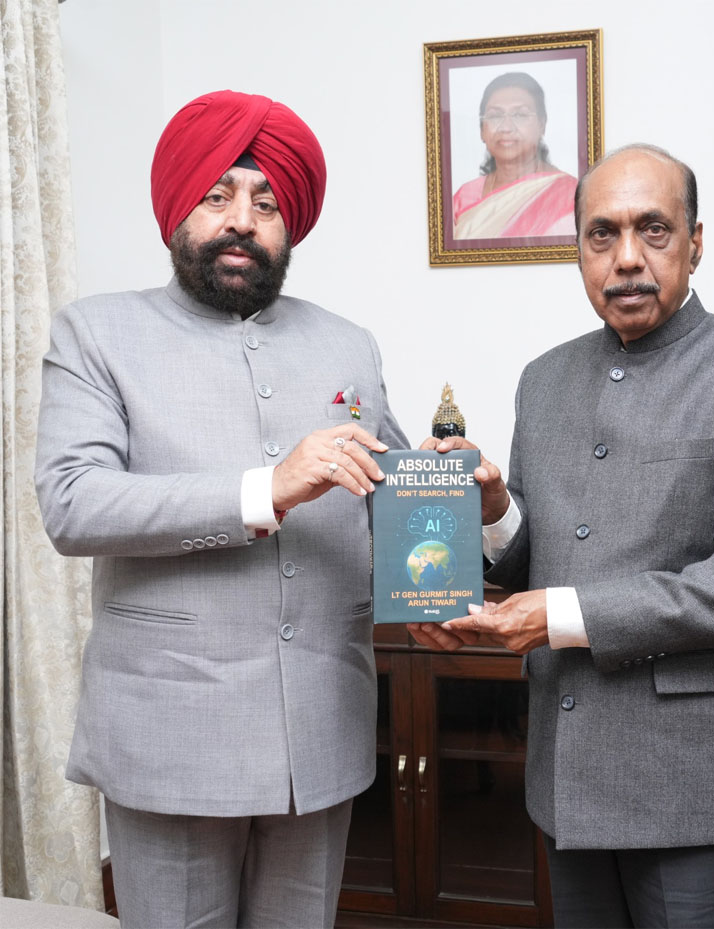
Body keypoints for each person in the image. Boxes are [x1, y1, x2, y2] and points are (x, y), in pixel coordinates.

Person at [413, 144, 714, 928]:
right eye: (602, 234)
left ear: (695, 242)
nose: (627, 257)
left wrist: (562, 615)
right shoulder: (545, 378)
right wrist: (495, 507)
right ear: (578, 249)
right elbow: (538, 558)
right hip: (567, 775)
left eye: (653, 229)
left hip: (696, 783)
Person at [34, 90, 408, 929]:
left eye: (267, 203)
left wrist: (471, 501)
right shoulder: (97, 333)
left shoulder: (348, 343)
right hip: (171, 734)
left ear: (290, 224)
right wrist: (265, 488)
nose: (242, 219)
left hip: (320, 731)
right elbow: (72, 501)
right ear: (178, 208)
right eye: (218, 195)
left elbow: (393, 490)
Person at [452, 71, 577, 239]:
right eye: (495, 116)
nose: (506, 127)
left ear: (542, 124)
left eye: (520, 115)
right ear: (482, 130)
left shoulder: (570, 193)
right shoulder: (464, 197)